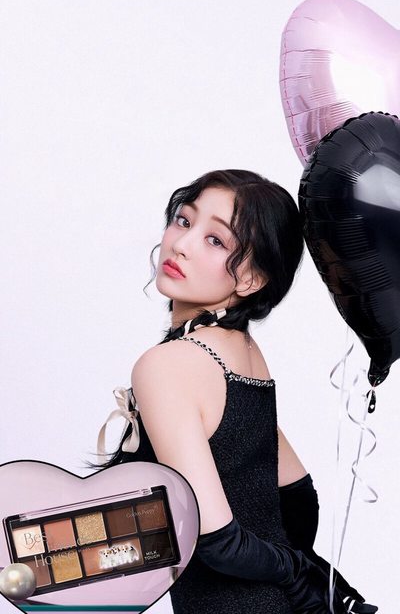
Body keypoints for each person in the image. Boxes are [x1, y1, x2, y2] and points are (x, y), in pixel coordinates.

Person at [98, 170, 378, 613]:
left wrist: (293, 573)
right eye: (184, 220)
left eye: (215, 240)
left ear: (250, 280)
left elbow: (218, 541)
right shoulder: (241, 350)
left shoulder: (168, 364)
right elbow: (299, 498)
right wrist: (300, 573)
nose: (181, 244)